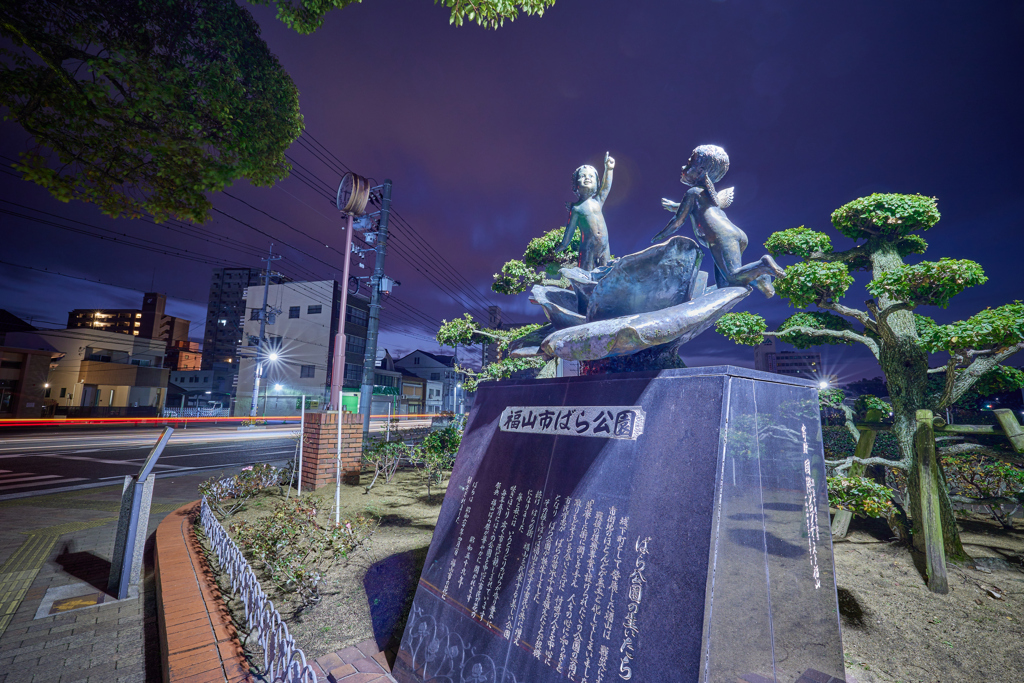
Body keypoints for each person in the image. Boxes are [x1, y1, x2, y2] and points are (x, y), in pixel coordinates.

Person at [653, 144, 783, 297]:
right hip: (734, 234)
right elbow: (695, 207)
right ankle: (758, 278)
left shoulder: (693, 192)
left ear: (700, 171)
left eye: (689, 164)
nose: (684, 166)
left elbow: (678, 221)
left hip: (719, 237)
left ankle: (763, 266)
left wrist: (660, 235)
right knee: (725, 286)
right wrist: (675, 206)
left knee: (732, 276)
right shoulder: (708, 195)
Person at [557, 152, 615, 271]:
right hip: (588, 248)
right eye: (583, 176)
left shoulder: (598, 201)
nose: (587, 178)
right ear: (575, 185)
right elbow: (570, 230)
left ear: (597, 183)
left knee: (606, 273)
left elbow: (606, 187)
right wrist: (563, 245)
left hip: (605, 246)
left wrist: (609, 169)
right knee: (585, 275)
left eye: (591, 176)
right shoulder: (577, 209)